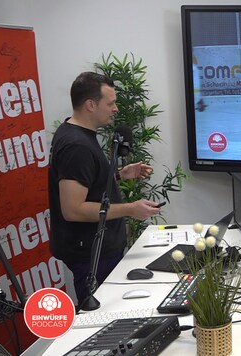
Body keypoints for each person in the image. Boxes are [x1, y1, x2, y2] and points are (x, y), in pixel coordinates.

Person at [48, 72, 161, 306]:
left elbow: (88, 187)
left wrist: (118, 175)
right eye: (110, 103)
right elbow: (73, 209)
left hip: (98, 252)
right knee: (103, 318)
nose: (116, 109)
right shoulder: (76, 146)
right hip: (92, 257)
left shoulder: (80, 135)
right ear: (91, 104)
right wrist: (130, 208)